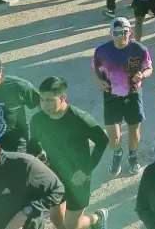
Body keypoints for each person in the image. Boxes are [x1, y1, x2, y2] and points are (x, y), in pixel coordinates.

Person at [30, 76, 110, 229]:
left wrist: (86, 170)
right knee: (55, 218)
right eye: (42, 100)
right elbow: (33, 143)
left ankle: (98, 218)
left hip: (78, 175)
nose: (44, 105)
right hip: (54, 174)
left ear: (63, 97)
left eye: (50, 100)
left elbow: (102, 140)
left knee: (72, 224)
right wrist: (37, 155)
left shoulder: (80, 118)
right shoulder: (37, 120)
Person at [91, 17, 153, 176]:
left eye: (124, 32)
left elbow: (149, 68)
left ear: (130, 32)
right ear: (111, 34)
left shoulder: (140, 49)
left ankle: (132, 156)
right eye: (116, 33)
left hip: (133, 95)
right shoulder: (101, 51)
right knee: (114, 136)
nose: (120, 36)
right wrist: (98, 81)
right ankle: (117, 154)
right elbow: (95, 69)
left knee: (134, 131)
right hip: (111, 96)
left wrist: (142, 75)